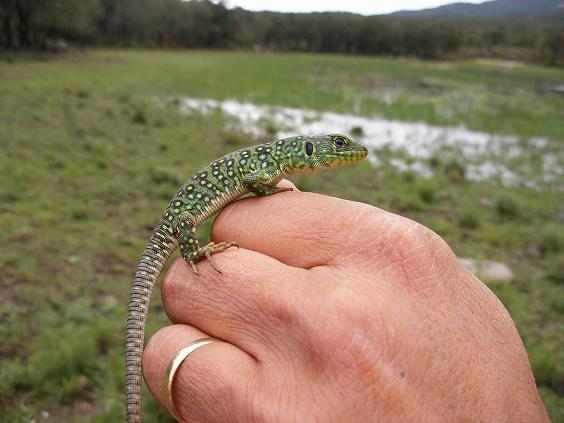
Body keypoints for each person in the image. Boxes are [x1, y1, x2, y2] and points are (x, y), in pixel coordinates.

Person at [142, 180, 549, 422]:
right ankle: (195, 255)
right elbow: (258, 184)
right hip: (177, 228)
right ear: (308, 151)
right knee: (193, 247)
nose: (346, 154)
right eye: (337, 147)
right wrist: (195, 251)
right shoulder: (266, 166)